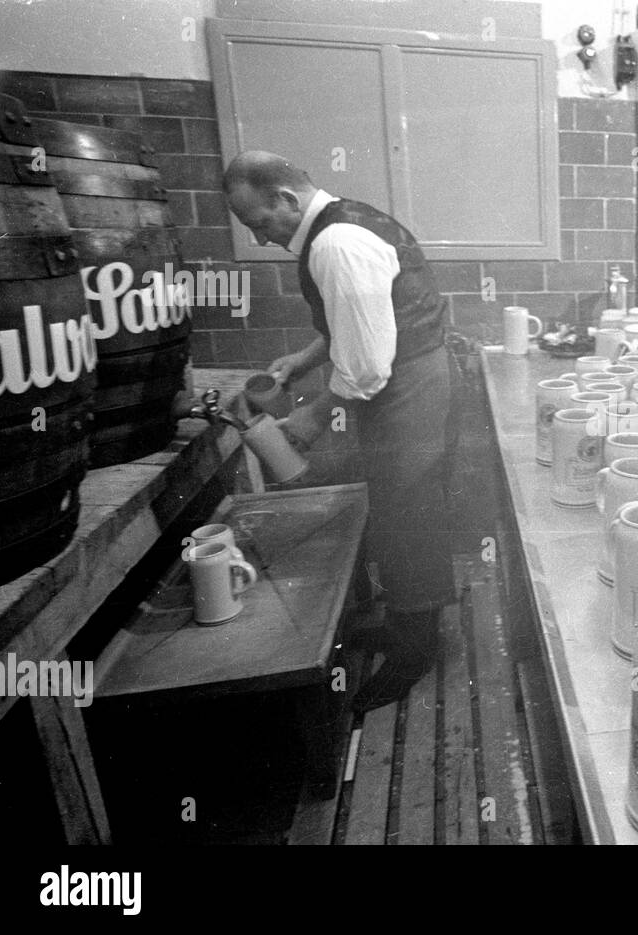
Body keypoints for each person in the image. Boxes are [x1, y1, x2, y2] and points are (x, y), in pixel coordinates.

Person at [223, 151, 454, 713]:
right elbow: (362, 318)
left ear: (285, 199)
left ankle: (416, 653)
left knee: (409, 514)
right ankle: (407, 625)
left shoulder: (336, 244)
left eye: (259, 222)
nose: (259, 237)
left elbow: (368, 366)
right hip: (411, 379)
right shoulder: (346, 220)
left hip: (406, 391)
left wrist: (309, 418)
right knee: (399, 512)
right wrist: (303, 360)